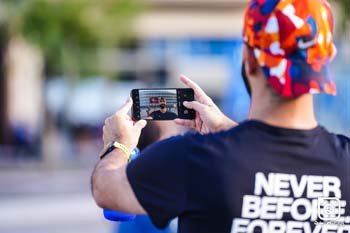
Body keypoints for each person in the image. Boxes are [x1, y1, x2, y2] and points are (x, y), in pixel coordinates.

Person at [92, 1, 350, 233]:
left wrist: (118, 144)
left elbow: (107, 189)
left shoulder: (195, 159)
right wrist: (227, 128)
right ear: (327, 59)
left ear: (248, 59)